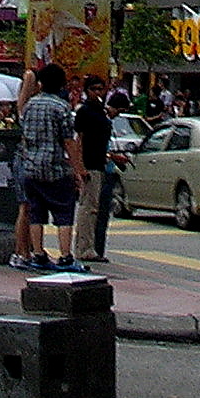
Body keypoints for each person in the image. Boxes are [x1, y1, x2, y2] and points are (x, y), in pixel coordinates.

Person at [11, 63, 88, 273]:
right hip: (55, 168)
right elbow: (68, 142)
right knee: (64, 213)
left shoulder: (29, 106)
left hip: (31, 168)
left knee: (36, 213)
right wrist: (79, 170)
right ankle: (65, 257)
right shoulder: (62, 108)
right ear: (62, 84)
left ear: (41, 83)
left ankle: (38, 254)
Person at [74, 75, 114, 262]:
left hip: (99, 163)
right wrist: (80, 167)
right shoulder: (85, 111)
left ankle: (86, 246)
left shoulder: (101, 112)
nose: (98, 93)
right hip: (89, 165)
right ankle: (85, 248)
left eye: (101, 89)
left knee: (93, 208)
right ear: (86, 90)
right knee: (88, 208)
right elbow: (79, 139)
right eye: (94, 89)